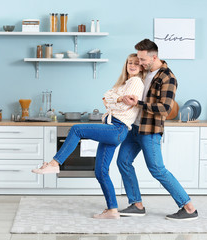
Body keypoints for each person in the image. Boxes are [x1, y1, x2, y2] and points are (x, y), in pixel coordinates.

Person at [32, 53, 145, 219]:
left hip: (118, 128)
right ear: (126, 64)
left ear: (142, 66)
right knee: (101, 171)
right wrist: (118, 98)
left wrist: (116, 99)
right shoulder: (124, 83)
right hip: (113, 127)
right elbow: (106, 98)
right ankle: (112, 210)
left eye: (136, 63)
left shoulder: (135, 81)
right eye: (130, 62)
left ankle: (55, 163)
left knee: (77, 129)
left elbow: (127, 105)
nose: (133, 65)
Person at [116, 39, 198, 220]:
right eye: (138, 58)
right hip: (134, 128)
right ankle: (136, 205)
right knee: (123, 162)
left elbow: (165, 109)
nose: (140, 63)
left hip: (150, 130)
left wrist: (139, 103)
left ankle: (188, 207)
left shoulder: (168, 77)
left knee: (157, 169)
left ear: (154, 57)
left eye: (143, 59)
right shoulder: (143, 73)